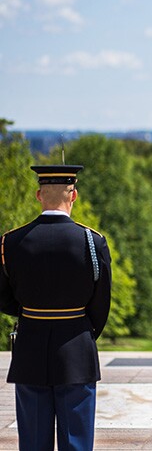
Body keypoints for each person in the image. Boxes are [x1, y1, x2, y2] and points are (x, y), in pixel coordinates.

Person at [0, 164, 112, 451]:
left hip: (30, 348)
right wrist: (83, 333)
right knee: (76, 441)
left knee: (34, 443)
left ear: (39, 195)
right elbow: (101, 303)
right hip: (76, 348)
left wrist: (31, 313)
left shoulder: (10, 242)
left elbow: (4, 298)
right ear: (73, 195)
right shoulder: (92, 241)